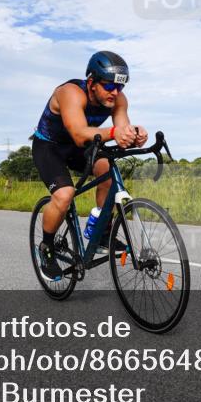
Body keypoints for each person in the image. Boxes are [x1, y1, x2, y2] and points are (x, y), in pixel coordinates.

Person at [32, 51, 148, 280]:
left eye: (120, 87)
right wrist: (116, 132)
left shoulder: (118, 100)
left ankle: (102, 232)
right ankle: (46, 248)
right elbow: (78, 134)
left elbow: (120, 131)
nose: (115, 93)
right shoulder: (71, 93)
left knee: (106, 168)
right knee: (65, 195)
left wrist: (134, 136)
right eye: (109, 86)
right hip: (50, 147)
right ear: (92, 82)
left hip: (82, 147)